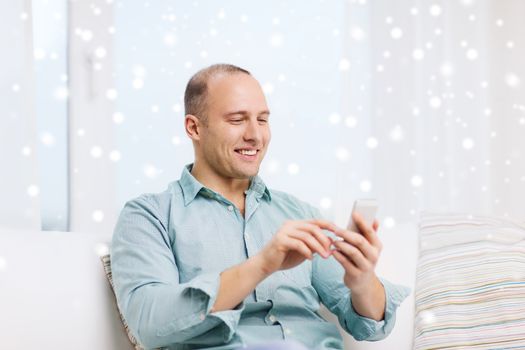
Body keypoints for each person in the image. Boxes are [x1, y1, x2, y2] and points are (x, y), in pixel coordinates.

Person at [111, 64, 410, 350]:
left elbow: (369, 324)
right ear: (194, 128)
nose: (255, 135)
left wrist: (362, 282)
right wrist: (264, 264)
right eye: (237, 120)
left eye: (263, 119)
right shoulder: (149, 216)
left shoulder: (299, 214)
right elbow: (149, 323)